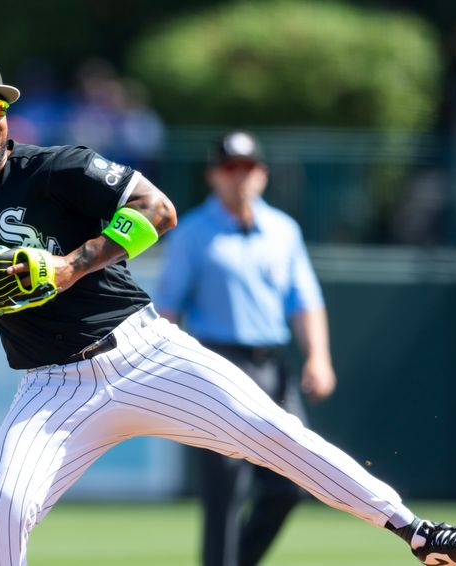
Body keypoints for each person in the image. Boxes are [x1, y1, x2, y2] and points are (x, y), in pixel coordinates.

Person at [0, 57, 456, 566]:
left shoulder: (53, 169)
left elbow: (157, 209)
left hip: (145, 353)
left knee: (275, 434)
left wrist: (71, 266)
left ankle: (420, 534)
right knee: (0, 515)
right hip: (51, 388)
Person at [156, 131, 337, 565]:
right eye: (229, 168)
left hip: (273, 366)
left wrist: (318, 356)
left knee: (291, 482)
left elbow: (305, 301)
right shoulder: (193, 233)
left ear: (262, 173)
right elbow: (168, 309)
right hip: (217, 364)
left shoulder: (282, 230)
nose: (239, 176)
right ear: (213, 175)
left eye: (248, 167)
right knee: (226, 489)